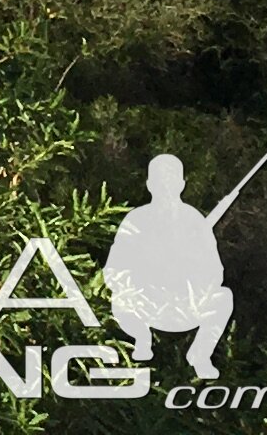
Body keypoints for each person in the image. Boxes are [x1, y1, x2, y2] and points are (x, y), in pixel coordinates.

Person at [104, 153, 239, 380]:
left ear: (182, 184)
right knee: (118, 300)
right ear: (149, 185)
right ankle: (141, 339)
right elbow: (113, 270)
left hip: (183, 306)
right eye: (160, 181)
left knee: (223, 298)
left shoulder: (194, 220)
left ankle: (200, 354)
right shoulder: (136, 220)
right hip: (144, 305)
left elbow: (215, 272)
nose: (166, 187)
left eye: (171, 180)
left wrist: (191, 271)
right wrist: (144, 274)